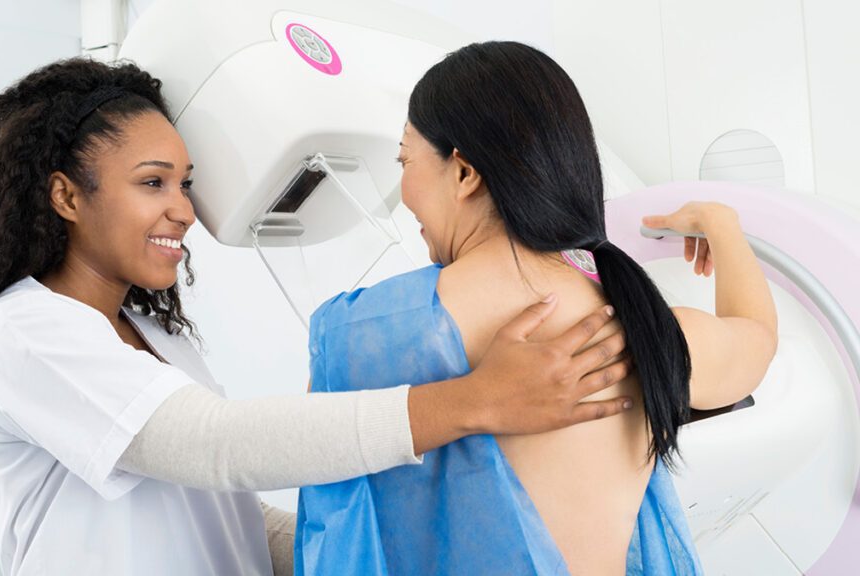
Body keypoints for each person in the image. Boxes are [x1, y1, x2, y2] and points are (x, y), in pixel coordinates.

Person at [0, 57, 633, 576]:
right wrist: (477, 401)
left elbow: (232, 520)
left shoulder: (157, 338)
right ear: (67, 196)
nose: (184, 209)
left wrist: (385, 547)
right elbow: (214, 445)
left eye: (185, 184)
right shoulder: (24, 333)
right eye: (153, 183)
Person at [294, 41, 778, 576]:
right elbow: (756, 339)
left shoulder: (362, 335)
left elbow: (319, 489)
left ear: (464, 173)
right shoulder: (640, 325)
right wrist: (721, 225)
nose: (403, 186)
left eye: (405, 159)